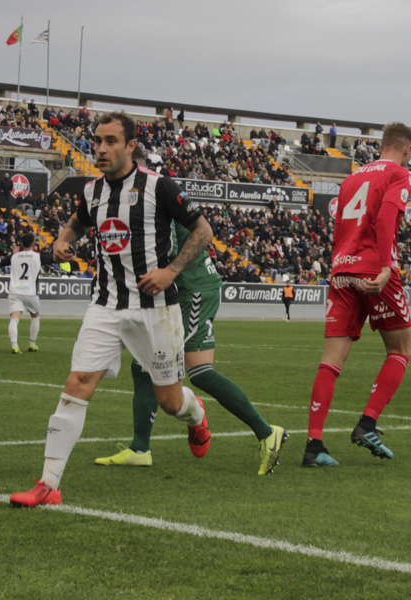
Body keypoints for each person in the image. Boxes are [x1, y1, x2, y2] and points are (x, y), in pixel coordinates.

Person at [10, 111, 213, 508]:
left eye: (110, 141)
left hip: (155, 309)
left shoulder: (160, 187)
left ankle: (195, 414)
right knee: (77, 384)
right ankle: (49, 485)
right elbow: (76, 223)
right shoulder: (91, 191)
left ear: (131, 146)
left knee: (170, 402)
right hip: (105, 305)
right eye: (97, 141)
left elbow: (203, 231)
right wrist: (61, 241)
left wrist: (171, 272)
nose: (100, 148)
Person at [95, 151, 286, 475]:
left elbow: (165, 243)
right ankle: (140, 448)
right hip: (172, 291)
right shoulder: (139, 195)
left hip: (194, 287)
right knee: (143, 366)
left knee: (199, 371)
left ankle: (267, 433)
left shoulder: (153, 193)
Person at [303, 122, 411, 468]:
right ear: (407, 150)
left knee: (331, 361)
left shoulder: (351, 179)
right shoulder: (400, 175)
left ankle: (313, 446)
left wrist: (339, 268)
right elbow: (385, 220)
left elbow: (338, 227)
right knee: (400, 350)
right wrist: (385, 267)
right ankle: (367, 423)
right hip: (375, 270)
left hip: (342, 270)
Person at [1, 232, 53, 354]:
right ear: (34, 244)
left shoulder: (14, 257)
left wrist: (13, 254)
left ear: (21, 244)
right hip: (30, 291)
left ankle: (14, 345)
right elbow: (52, 258)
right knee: (35, 315)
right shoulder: (37, 256)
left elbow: (1, 262)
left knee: (14, 318)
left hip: (15, 290)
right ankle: (32, 344)